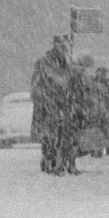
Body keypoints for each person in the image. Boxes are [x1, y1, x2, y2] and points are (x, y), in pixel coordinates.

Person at [30, 35, 72, 175]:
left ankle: (59, 163)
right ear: (54, 45)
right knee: (49, 137)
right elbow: (36, 86)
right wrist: (45, 100)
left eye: (65, 46)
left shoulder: (65, 64)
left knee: (62, 136)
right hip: (48, 107)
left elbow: (68, 85)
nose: (64, 48)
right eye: (61, 45)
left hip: (62, 106)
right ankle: (49, 162)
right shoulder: (43, 63)